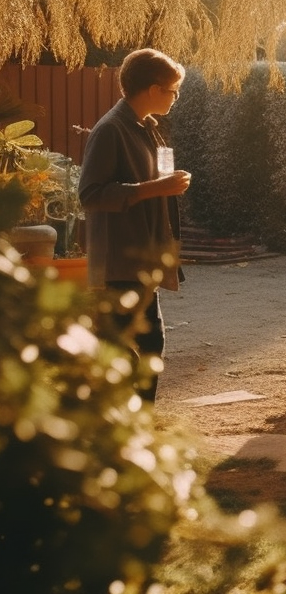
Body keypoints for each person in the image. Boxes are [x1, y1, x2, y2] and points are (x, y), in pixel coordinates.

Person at [79, 48, 191, 403]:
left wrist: (166, 180)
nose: (175, 97)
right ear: (154, 89)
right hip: (119, 260)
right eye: (173, 90)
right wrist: (156, 188)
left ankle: (135, 426)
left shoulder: (147, 127)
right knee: (129, 347)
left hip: (142, 257)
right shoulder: (111, 129)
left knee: (145, 344)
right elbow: (91, 194)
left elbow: (152, 177)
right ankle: (126, 427)